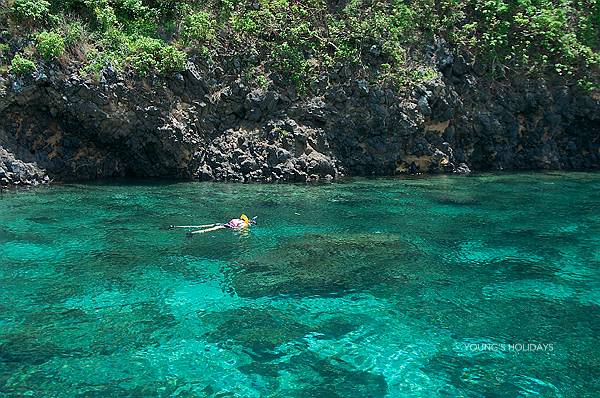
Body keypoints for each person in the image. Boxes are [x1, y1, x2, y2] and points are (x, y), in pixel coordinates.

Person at [187, 214, 256, 236]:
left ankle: (193, 227)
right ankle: (192, 233)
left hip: (223, 223)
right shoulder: (244, 224)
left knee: (206, 225)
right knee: (208, 230)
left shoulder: (238, 219)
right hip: (225, 226)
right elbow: (237, 229)